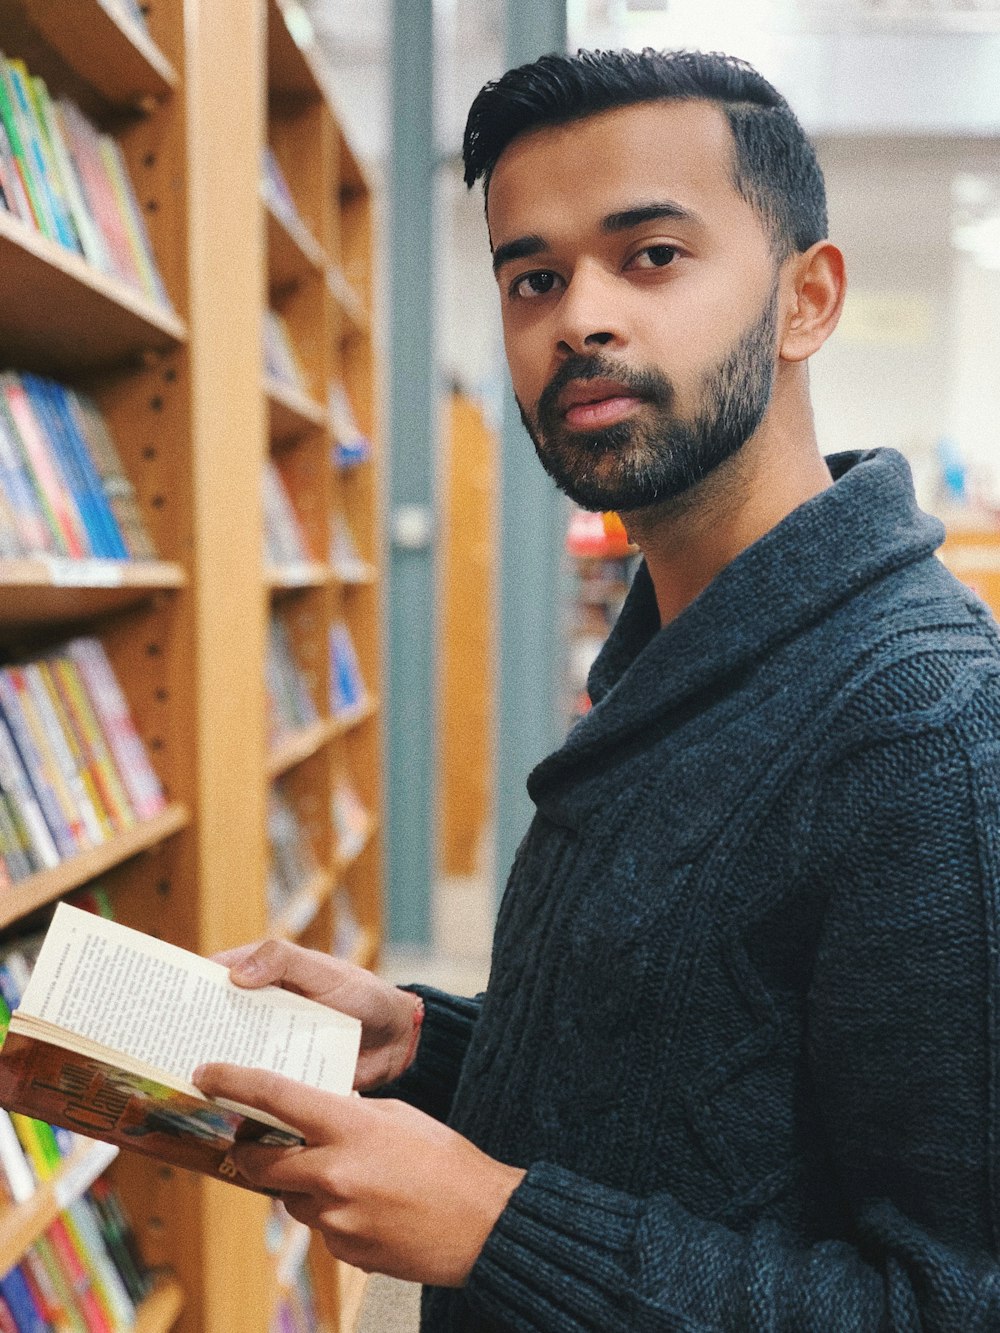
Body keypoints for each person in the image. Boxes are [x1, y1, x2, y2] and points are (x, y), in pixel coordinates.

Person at [194, 48, 1000, 1330]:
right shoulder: (673, 657)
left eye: (652, 257)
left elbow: (950, 1298)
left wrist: (500, 1229)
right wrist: (432, 1044)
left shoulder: (927, 730)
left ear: (807, 299)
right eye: (533, 276)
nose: (580, 318)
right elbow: (703, 1087)